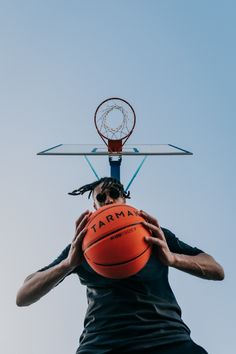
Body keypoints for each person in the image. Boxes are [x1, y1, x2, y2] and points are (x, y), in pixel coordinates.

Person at [16, 177, 224, 354]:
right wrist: (67, 265)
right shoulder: (81, 246)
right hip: (100, 344)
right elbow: (23, 296)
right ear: (94, 207)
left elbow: (216, 270)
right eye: (100, 197)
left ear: (124, 199)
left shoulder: (151, 232)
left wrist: (173, 259)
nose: (108, 199)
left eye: (114, 193)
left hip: (168, 339)